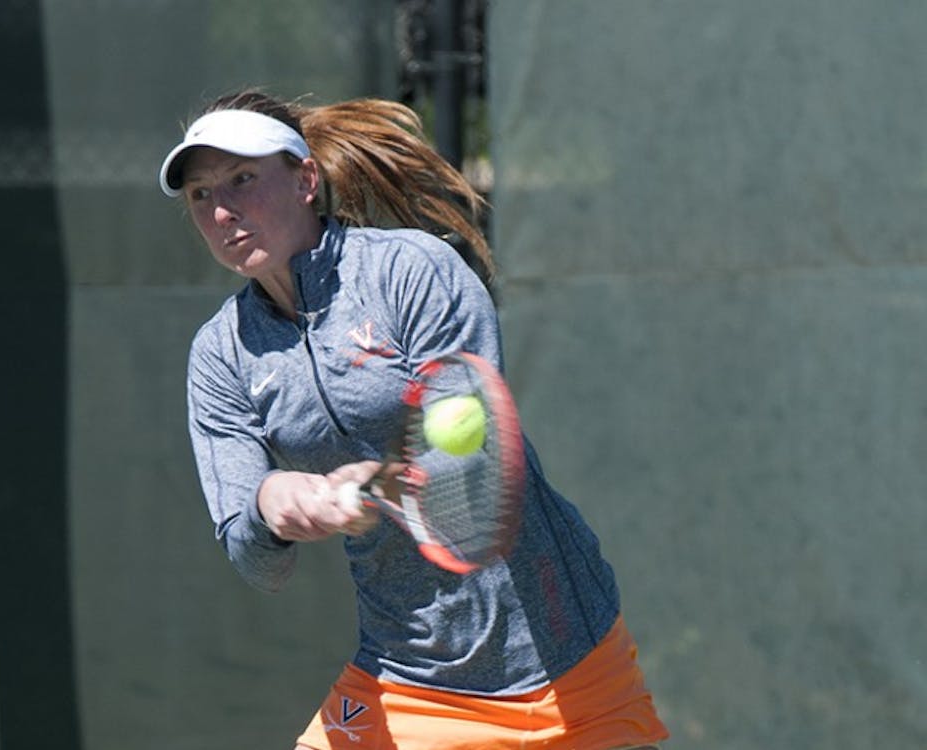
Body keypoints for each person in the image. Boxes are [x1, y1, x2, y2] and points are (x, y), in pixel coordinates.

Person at [159, 88, 669, 750]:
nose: (222, 209)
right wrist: (271, 502)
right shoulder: (220, 354)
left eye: (243, 179)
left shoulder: (410, 272)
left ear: (305, 179)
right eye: (200, 195)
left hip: (564, 661)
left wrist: (384, 483)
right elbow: (253, 555)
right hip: (407, 677)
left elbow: (471, 474)